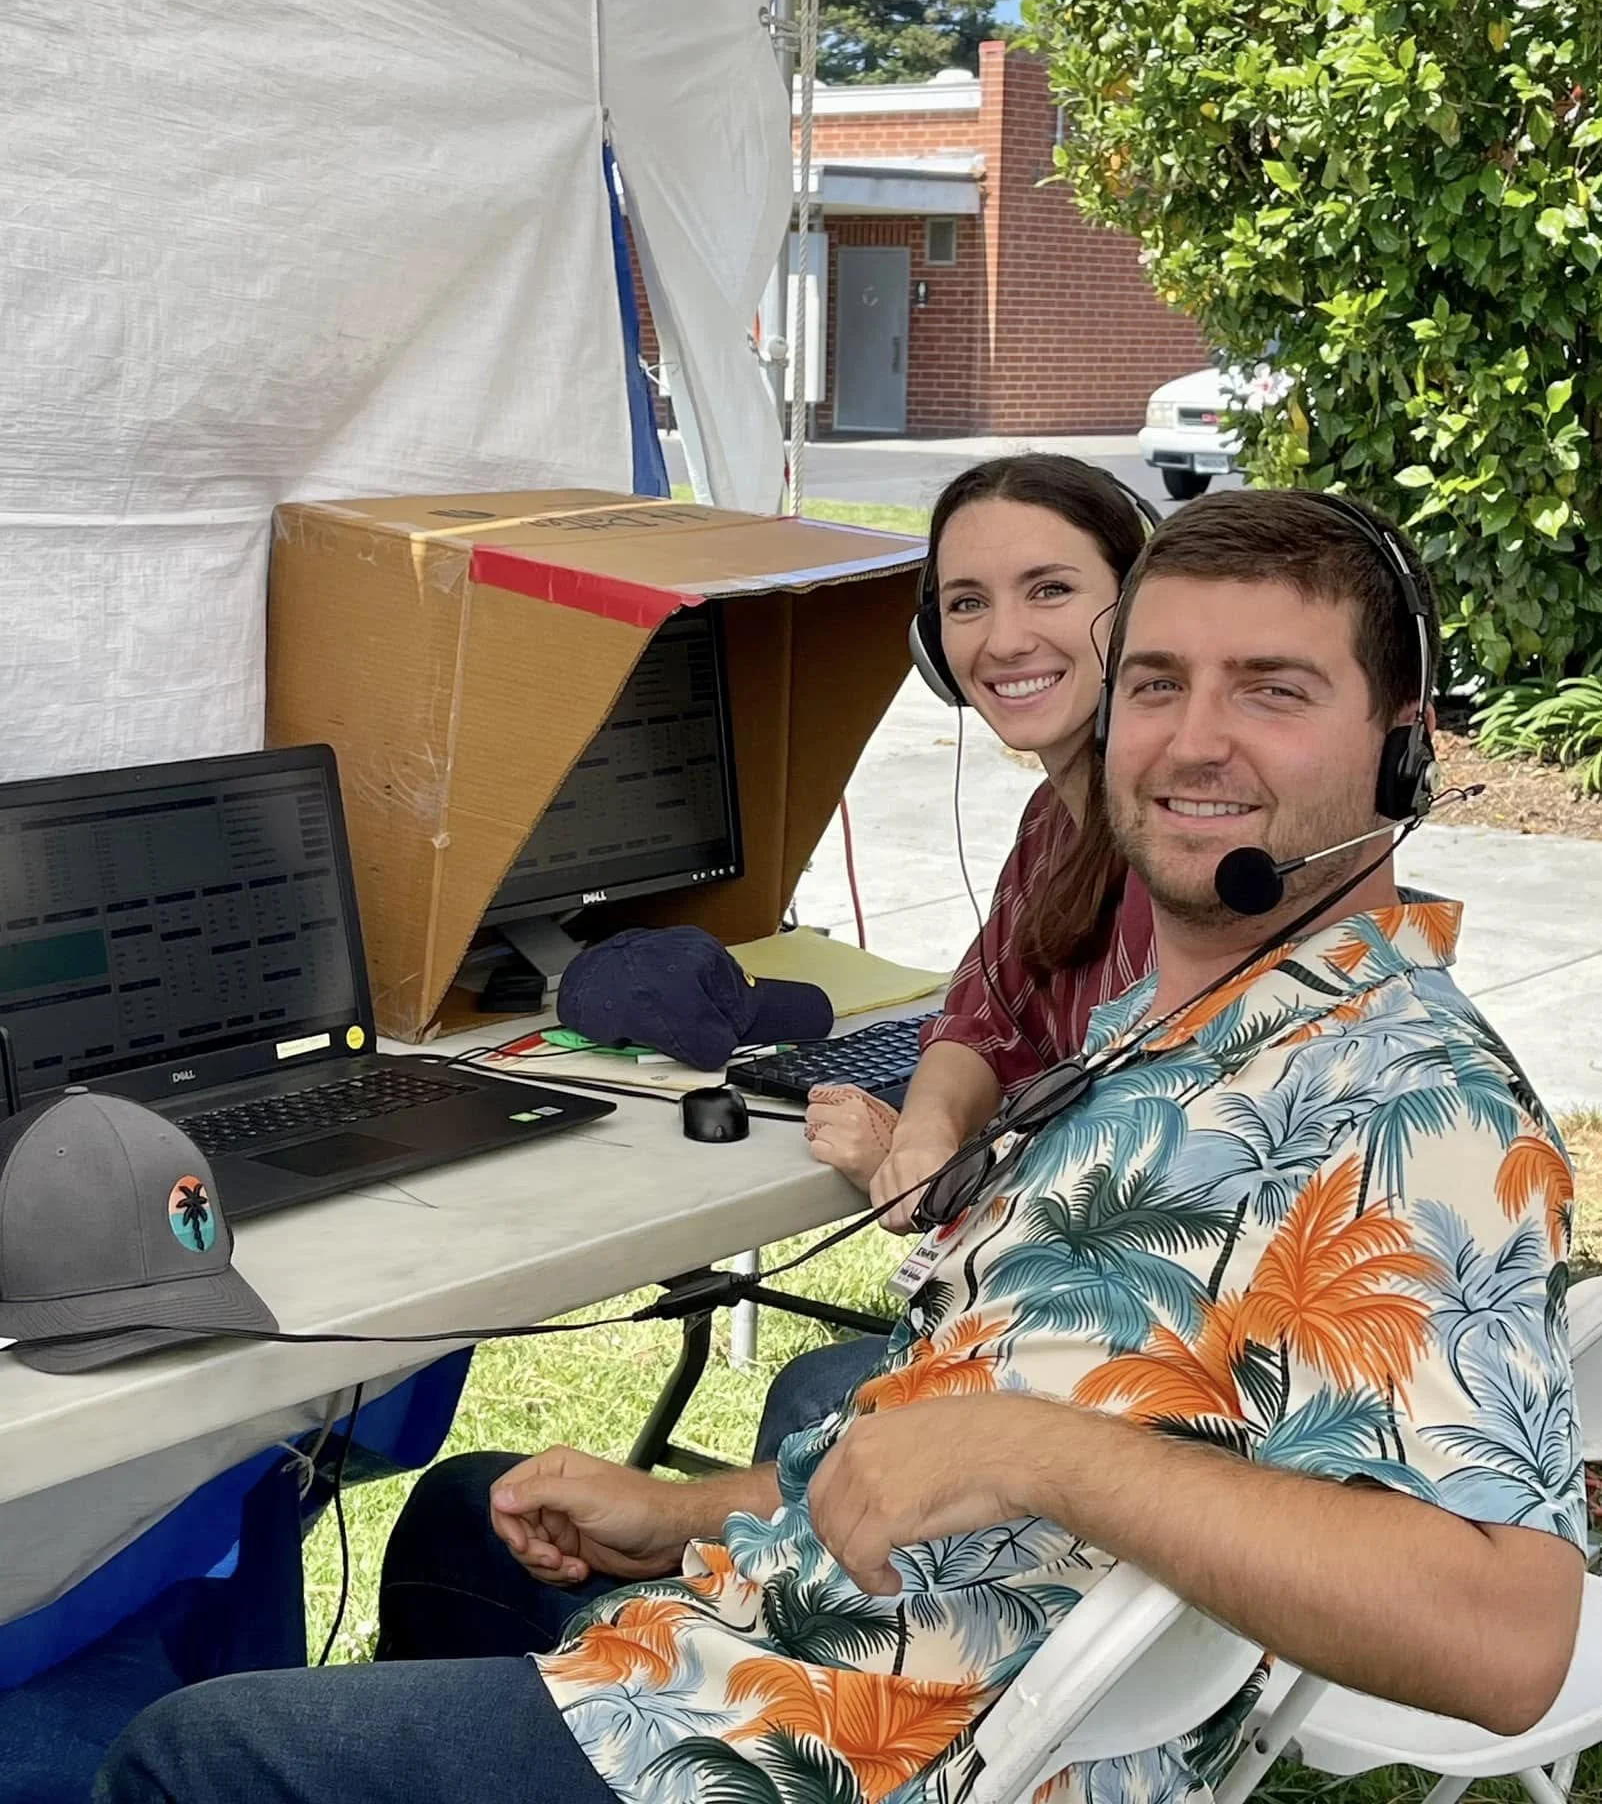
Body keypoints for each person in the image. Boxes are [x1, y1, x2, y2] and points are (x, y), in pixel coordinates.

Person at [97, 490, 1587, 1804]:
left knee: (196, 1755)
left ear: (1403, 754)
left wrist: (1040, 1453)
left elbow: (1504, 1635)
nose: (1192, 741)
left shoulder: (1407, 1100)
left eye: (1271, 690)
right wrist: (693, 1511)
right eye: (1155, 684)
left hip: (853, 1746)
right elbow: (977, 1423)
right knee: (462, 1520)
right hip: (820, 1641)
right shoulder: (1178, 1024)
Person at [758, 454, 1159, 1455]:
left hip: (1117, 1366)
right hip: (1063, 1321)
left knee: (817, 1399)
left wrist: (948, 1183)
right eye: (966, 602)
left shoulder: (1176, 858)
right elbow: (981, 1015)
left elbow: (1140, 1195)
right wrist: (928, 1129)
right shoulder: (1055, 818)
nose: (1004, 637)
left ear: (1145, 607)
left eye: (1051, 589)